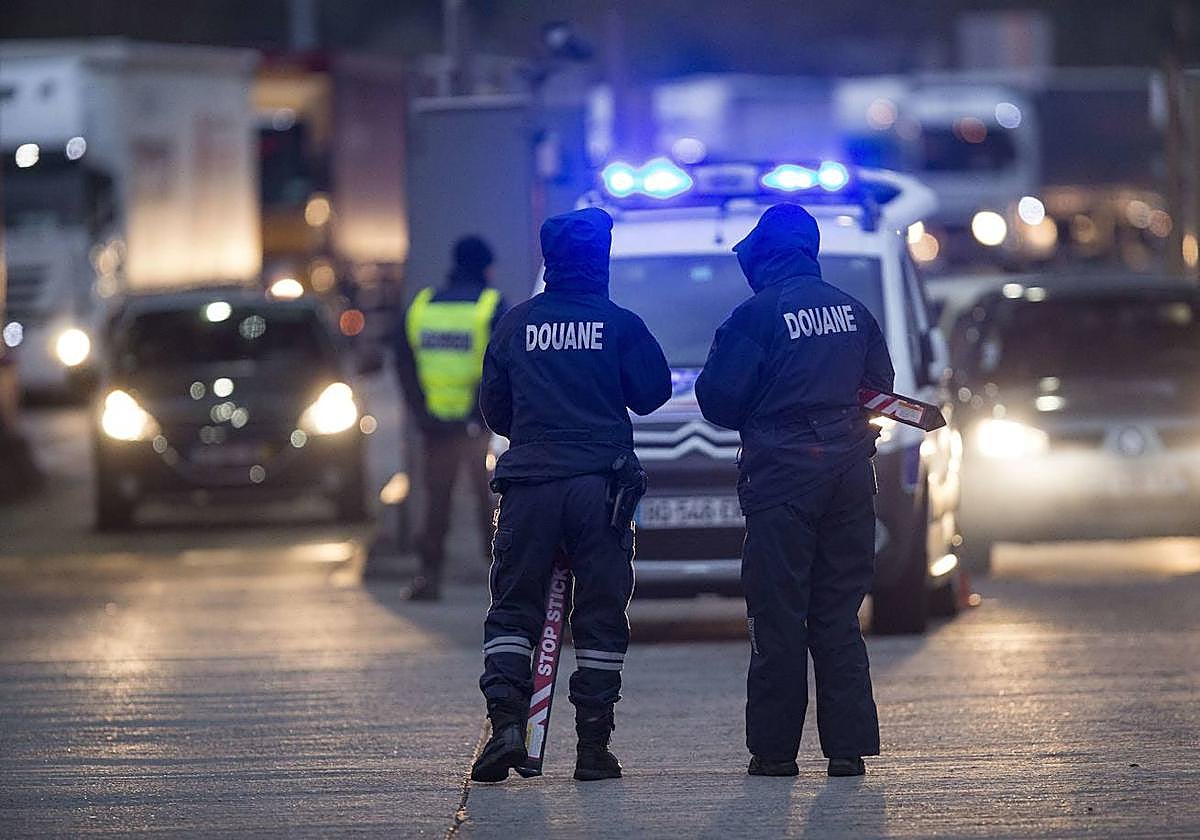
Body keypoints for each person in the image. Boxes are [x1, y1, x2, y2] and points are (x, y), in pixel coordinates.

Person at [470, 207, 671, 783]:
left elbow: (496, 411)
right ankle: (592, 748)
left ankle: (508, 724)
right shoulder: (620, 324)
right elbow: (653, 393)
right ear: (600, 261)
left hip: (530, 488)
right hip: (599, 491)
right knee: (602, 615)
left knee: (512, 607)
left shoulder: (515, 324)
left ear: (548, 261)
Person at [695, 203, 894, 778]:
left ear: (765, 254)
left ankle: (776, 753)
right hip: (850, 478)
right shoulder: (854, 313)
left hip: (782, 479)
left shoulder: (755, 316)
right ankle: (848, 750)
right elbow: (879, 390)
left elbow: (718, 400)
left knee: (778, 615)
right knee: (837, 613)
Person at [395, 236, 507, 601]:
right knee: (489, 502)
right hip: (477, 426)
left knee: (436, 502)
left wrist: (421, 412)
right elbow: (500, 366)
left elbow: (404, 363)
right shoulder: (490, 306)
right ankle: (503, 581)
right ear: (486, 267)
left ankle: (429, 578)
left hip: (434, 427)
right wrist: (483, 413)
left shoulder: (422, 305)